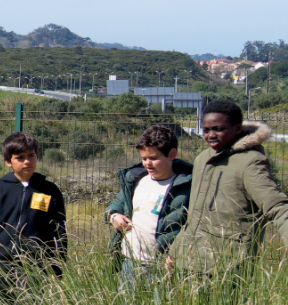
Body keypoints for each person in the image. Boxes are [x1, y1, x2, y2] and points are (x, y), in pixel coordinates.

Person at [169, 99, 288, 273]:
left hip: (228, 265)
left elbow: (277, 206)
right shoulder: (203, 158)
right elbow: (194, 214)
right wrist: (176, 250)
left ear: (237, 129)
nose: (211, 135)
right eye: (206, 130)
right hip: (188, 259)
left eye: (219, 129)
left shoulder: (250, 162)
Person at [0, 132, 68, 294]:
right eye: (20, 157)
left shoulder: (49, 190)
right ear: (8, 161)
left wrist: (56, 266)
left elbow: (59, 230)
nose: (27, 161)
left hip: (37, 265)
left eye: (31, 156)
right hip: (2, 262)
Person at [106, 123, 192, 283]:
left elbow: (193, 226)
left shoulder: (186, 187)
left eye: (153, 158)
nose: (147, 163)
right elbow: (116, 205)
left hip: (163, 267)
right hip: (129, 262)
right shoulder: (136, 181)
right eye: (144, 158)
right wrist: (114, 216)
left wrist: (176, 255)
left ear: (172, 154)